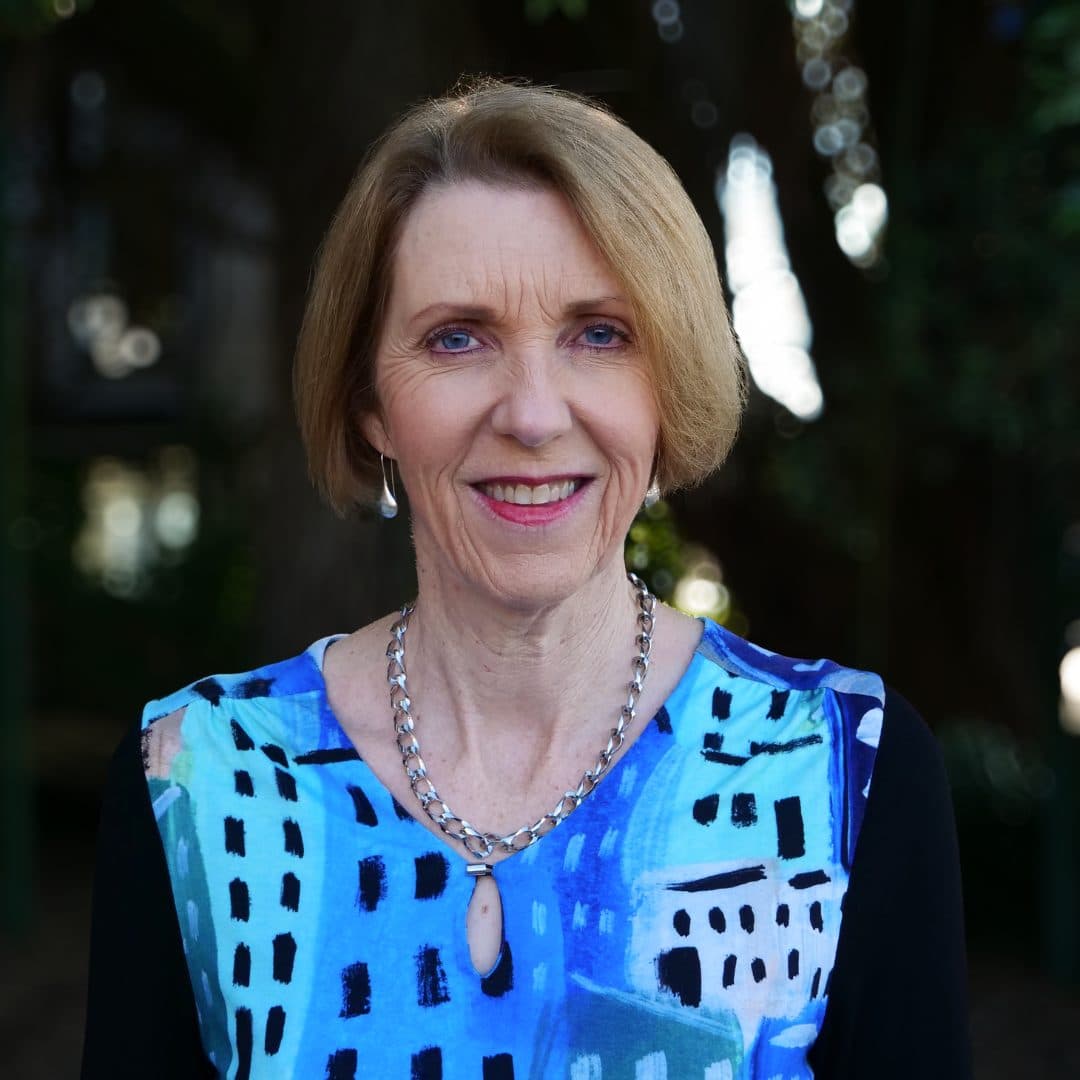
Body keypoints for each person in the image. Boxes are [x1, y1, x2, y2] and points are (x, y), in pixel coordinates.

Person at [81, 78, 971, 1079]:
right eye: (457, 337)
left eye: (599, 333)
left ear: (664, 380)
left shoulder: (847, 771)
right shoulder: (198, 781)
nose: (534, 415)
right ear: (369, 399)